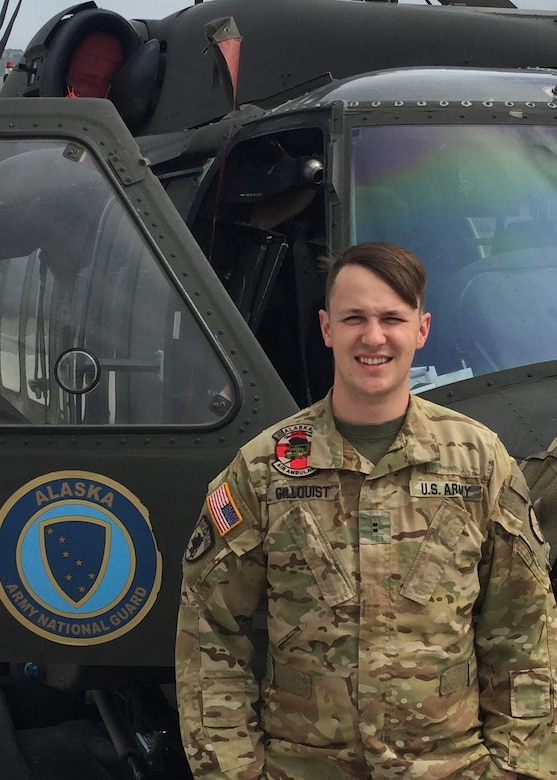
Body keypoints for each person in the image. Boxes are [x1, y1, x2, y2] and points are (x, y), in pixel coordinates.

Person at [176, 241, 557, 780]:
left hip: (452, 767)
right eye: (355, 317)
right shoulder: (266, 469)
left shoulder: (477, 462)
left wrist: (521, 770)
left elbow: (525, 631)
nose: (373, 337)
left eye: (391, 318)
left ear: (421, 330)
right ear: (327, 328)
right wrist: (233, 772)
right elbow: (208, 629)